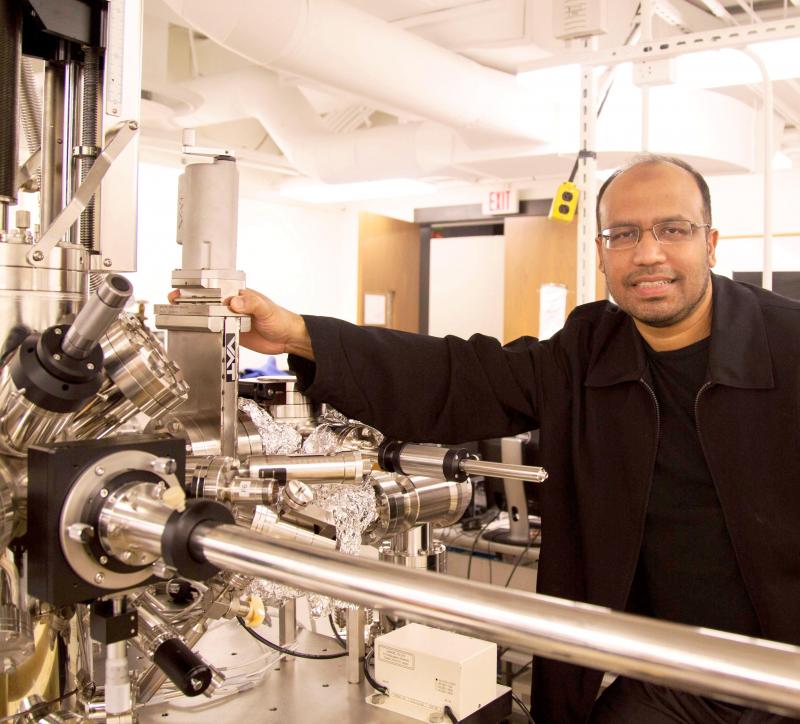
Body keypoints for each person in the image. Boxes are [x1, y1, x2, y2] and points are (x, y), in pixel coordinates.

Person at [217, 155, 800, 723]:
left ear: (710, 243)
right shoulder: (589, 349)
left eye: (673, 229)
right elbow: (464, 377)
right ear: (602, 254)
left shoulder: (791, 344)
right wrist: (300, 335)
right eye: (623, 234)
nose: (648, 253)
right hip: (674, 675)